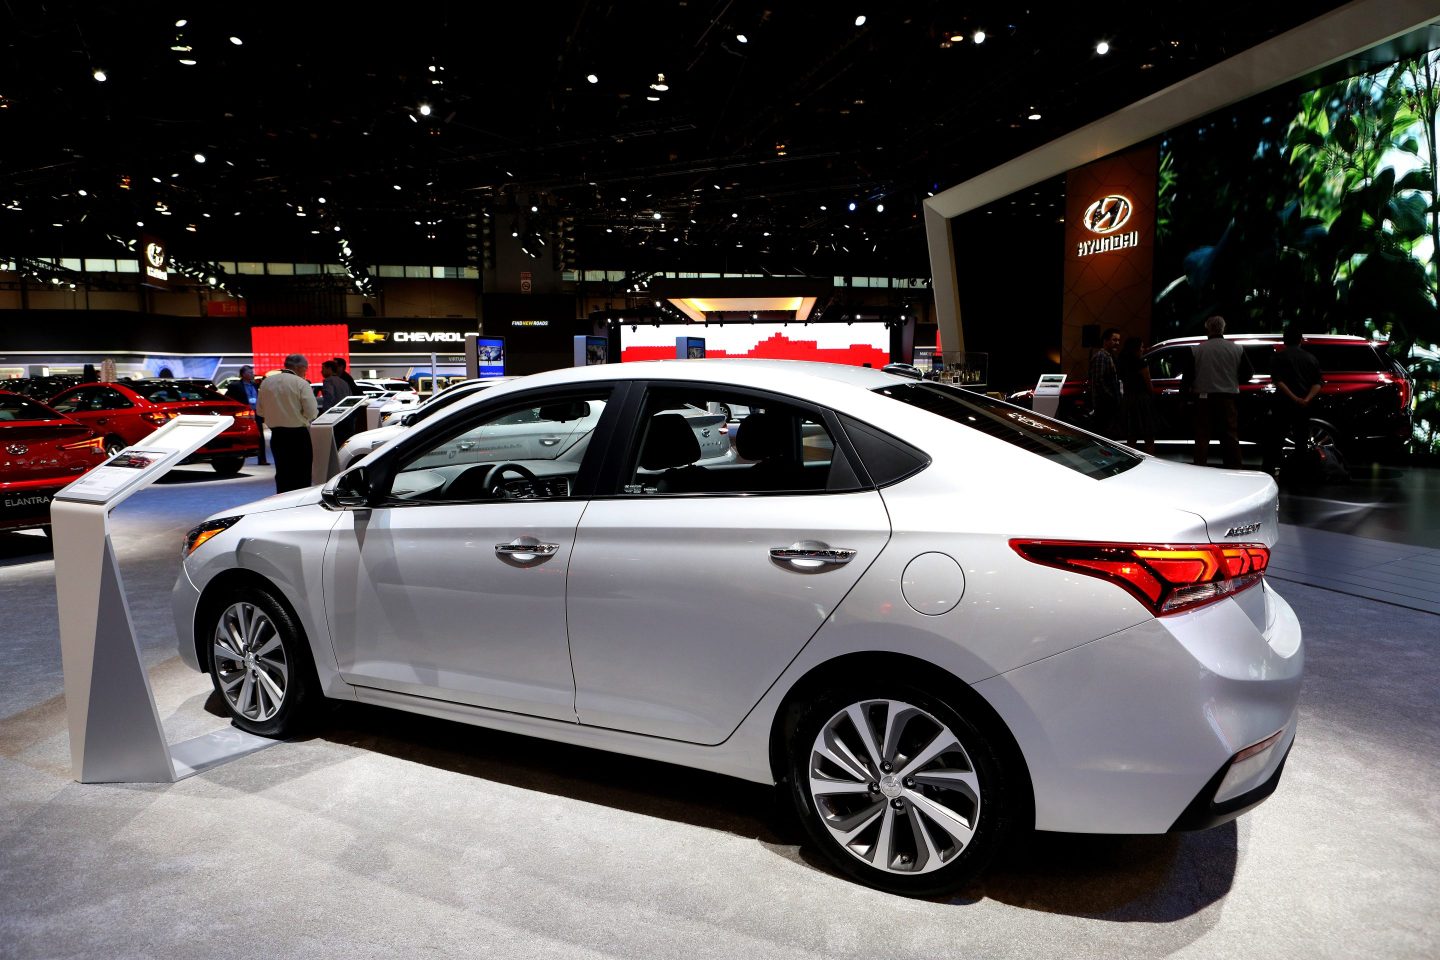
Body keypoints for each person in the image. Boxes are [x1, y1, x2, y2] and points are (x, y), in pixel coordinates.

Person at [1189, 315, 1253, 468]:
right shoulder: (1237, 349)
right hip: (1227, 399)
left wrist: (1184, 399)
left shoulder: (1197, 350)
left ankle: (1199, 468)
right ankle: (1234, 469)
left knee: (1202, 437)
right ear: (1223, 328)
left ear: (1207, 328)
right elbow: (1248, 373)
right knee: (1230, 437)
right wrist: (1233, 380)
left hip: (1203, 399)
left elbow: (1188, 377)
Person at [1263, 326, 1322, 479]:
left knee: (1276, 439)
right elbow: (1317, 383)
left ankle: (1271, 470)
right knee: (1301, 439)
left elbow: (1278, 382)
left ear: (1285, 340)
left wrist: (1294, 398)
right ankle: (1299, 473)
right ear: (1300, 340)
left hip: (1283, 404)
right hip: (1304, 406)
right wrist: (1306, 399)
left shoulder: (1278, 357)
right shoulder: (1311, 358)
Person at [257, 354, 318, 493]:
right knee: (301, 474)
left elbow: (260, 411)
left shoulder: (266, 383)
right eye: (306, 368)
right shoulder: (301, 383)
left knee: (282, 474)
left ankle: (283, 501)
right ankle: (300, 503)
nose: (306, 371)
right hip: (298, 436)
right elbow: (311, 412)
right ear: (299, 367)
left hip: (277, 436)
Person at [1117, 336, 1156, 455]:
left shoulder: (1122, 363)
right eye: (1141, 347)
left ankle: (1130, 460)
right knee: (1148, 436)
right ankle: (1150, 460)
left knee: (1131, 436)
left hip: (1128, 400)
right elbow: (1149, 385)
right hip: (1141, 400)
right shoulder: (1141, 363)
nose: (1143, 349)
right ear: (1136, 348)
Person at [225, 364, 268, 465]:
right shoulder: (235, 386)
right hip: (243, 414)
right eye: (250, 372)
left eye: (252, 372)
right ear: (243, 374)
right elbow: (228, 399)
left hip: (256, 413)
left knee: (260, 436)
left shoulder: (255, 385)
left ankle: (262, 459)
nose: (252, 374)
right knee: (243, 435)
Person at [1087, 327, 1122, 437]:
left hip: (1107, 405)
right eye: (1114, 340)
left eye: (1118, 340)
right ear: (1105, 340)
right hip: (1104, 405)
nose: (1117, 343)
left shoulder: (1108, 356)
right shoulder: (1101, 356)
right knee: (1104, 434)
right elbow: (1099, 381)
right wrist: (1112, 397)